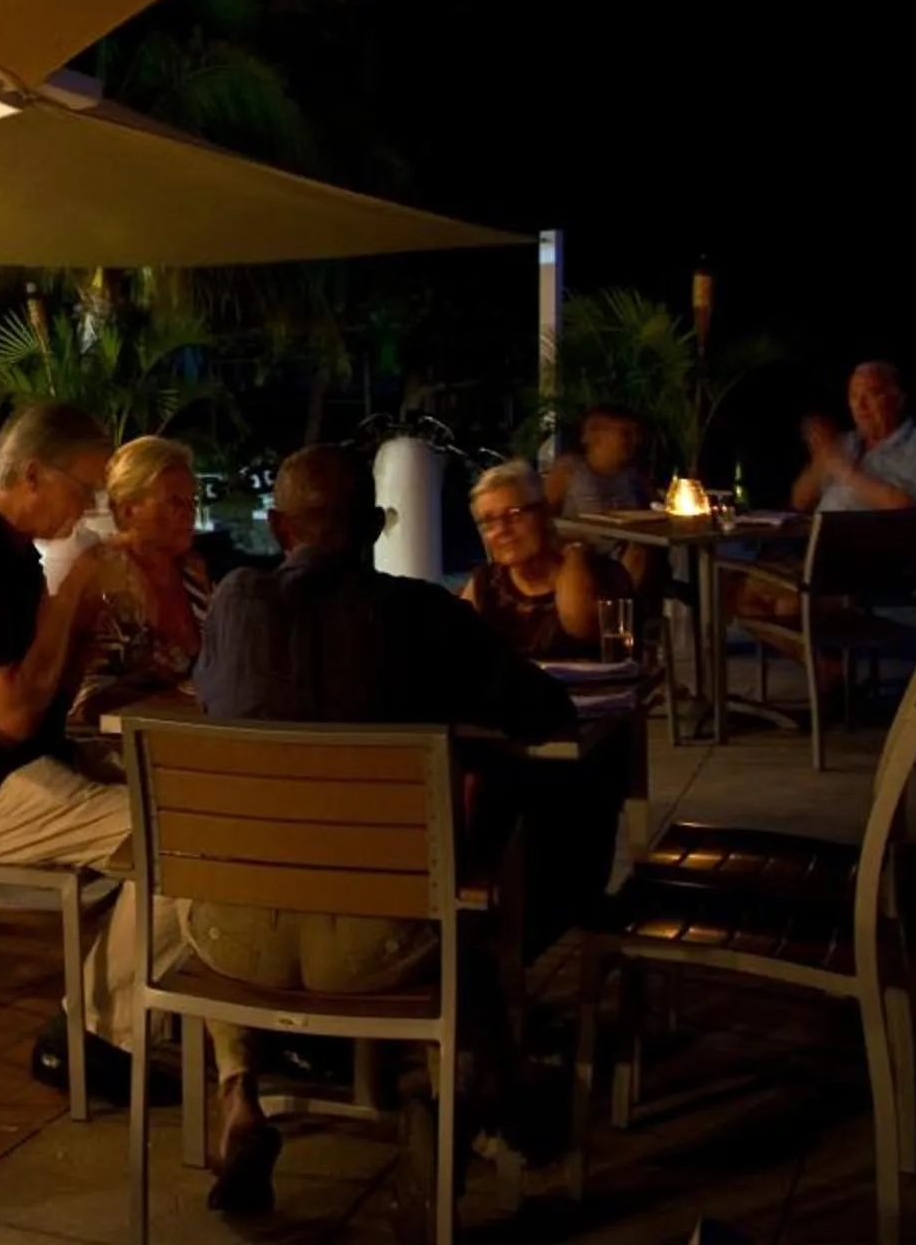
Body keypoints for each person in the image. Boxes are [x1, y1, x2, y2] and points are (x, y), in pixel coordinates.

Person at [187, 446, 575, 1219]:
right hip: (377, 945)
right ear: (372, 526)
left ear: (275, 525)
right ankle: (448, 1096)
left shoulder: (234, 604)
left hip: (233, 942)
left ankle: (239, 1093)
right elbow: (547, 716)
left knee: (228, 867)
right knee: (479, 892)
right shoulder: (424, 616)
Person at [0, 404, 156, 1086]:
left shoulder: (7, 554)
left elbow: (41, 699)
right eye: (87, 488)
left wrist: (86, 630)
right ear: (35, 476)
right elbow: (10, 718)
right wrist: (70, 595)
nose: (92, 506)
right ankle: (92, 1034)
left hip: (18, 771)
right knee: (179, 841)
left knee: (186, 813)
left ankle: (141, 1012)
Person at [65, 435, 214, 728]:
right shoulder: (98, 578)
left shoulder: (193, 573)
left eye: (192, 501)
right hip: (115, 747)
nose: (189, 512)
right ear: (127, 509)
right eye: (175, 502)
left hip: (186, 731)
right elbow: (81, 701)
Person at [458, 460, 635, 660]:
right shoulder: (486, 583)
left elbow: (582, 625)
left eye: (514, 515)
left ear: (543, 513)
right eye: (489, 522)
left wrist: (574, 554)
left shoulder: (601, 574)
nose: (502, 530)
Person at [795, 362, 916, 513]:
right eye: (854, 396)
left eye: (871, 394)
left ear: (898, 400)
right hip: (822, 537)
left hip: (874, 540)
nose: (860, 405)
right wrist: (822, 456)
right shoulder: (847, 442)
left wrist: (844, 471)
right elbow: (800, 502)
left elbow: (909, 511)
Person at [545, 406, 649, 518]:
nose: (635, 440)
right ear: (595, 436)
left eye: (636, 434)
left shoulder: (632, 476)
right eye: (626, 434)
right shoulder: (569, 470)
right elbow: (544, 516)